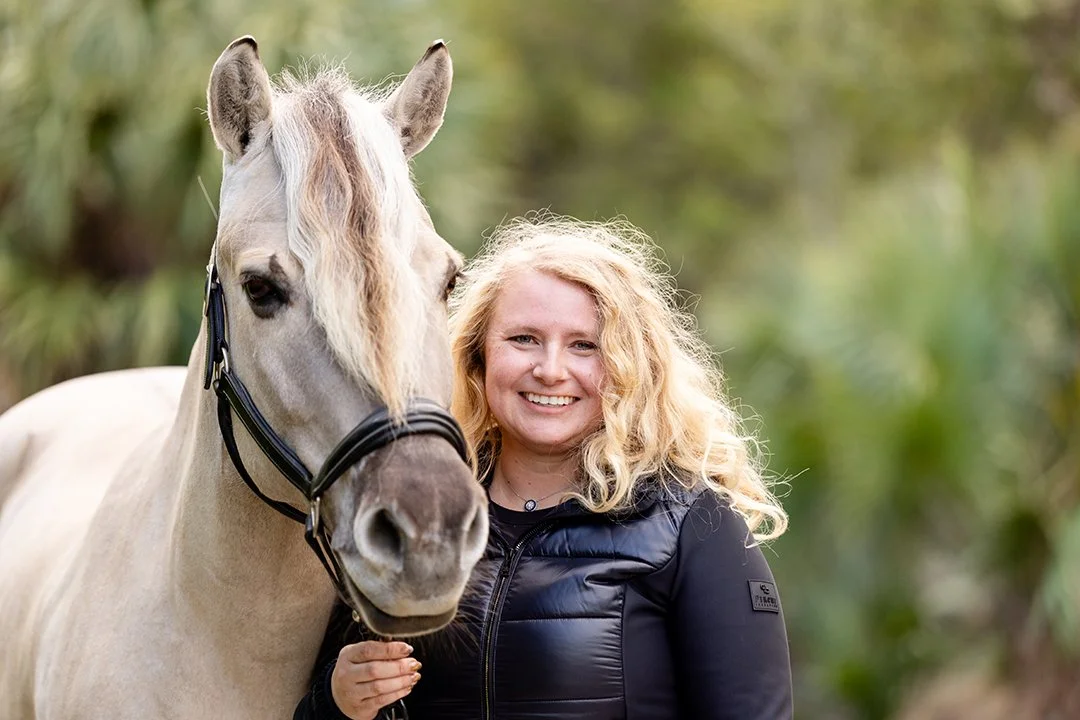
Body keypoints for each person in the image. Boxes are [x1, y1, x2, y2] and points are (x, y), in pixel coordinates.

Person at [294, 215, 793, 719]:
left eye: (584, 345)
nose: (551, 370)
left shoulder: (690, 524)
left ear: (629, 365)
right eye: (524, 339)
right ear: (477, 357)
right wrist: (337, 703)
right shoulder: (417, 514)